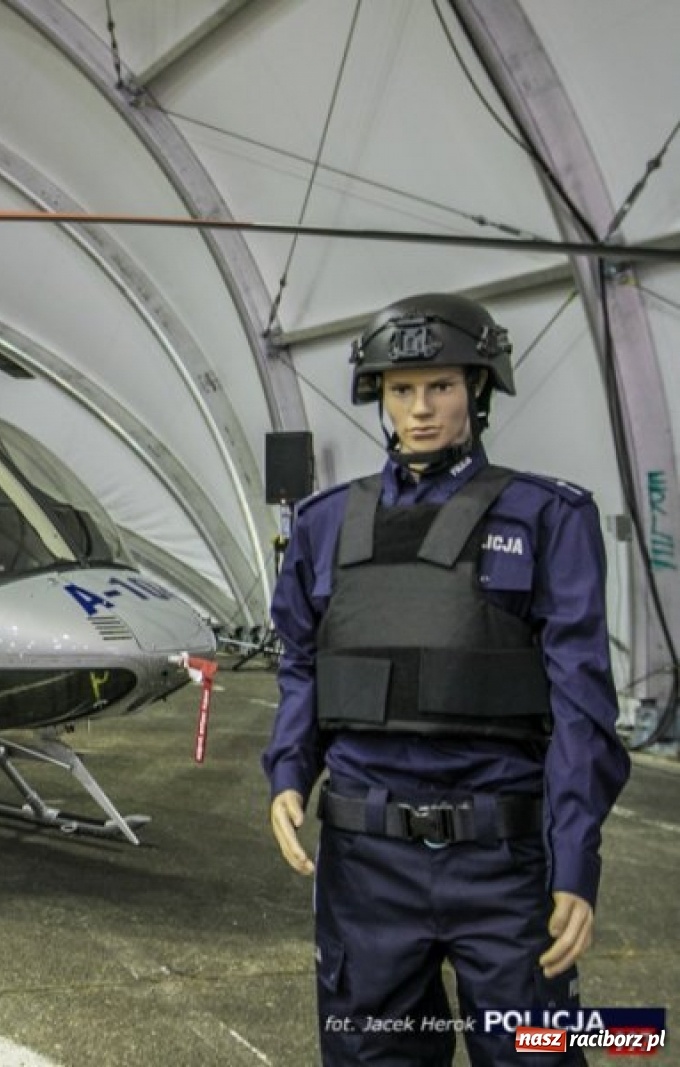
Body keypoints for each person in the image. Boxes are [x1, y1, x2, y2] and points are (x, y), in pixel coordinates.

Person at [262, 293, 631, 1065]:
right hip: (366, 868)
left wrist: (576, 864)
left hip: (504, 865)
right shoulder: (326, 525)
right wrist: (289, 769)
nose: (420, 408)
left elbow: (582, 704)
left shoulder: (547, 518)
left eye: (441, 386)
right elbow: (301, 659)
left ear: (478, 390)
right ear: (380, 397)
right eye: (401, 389)